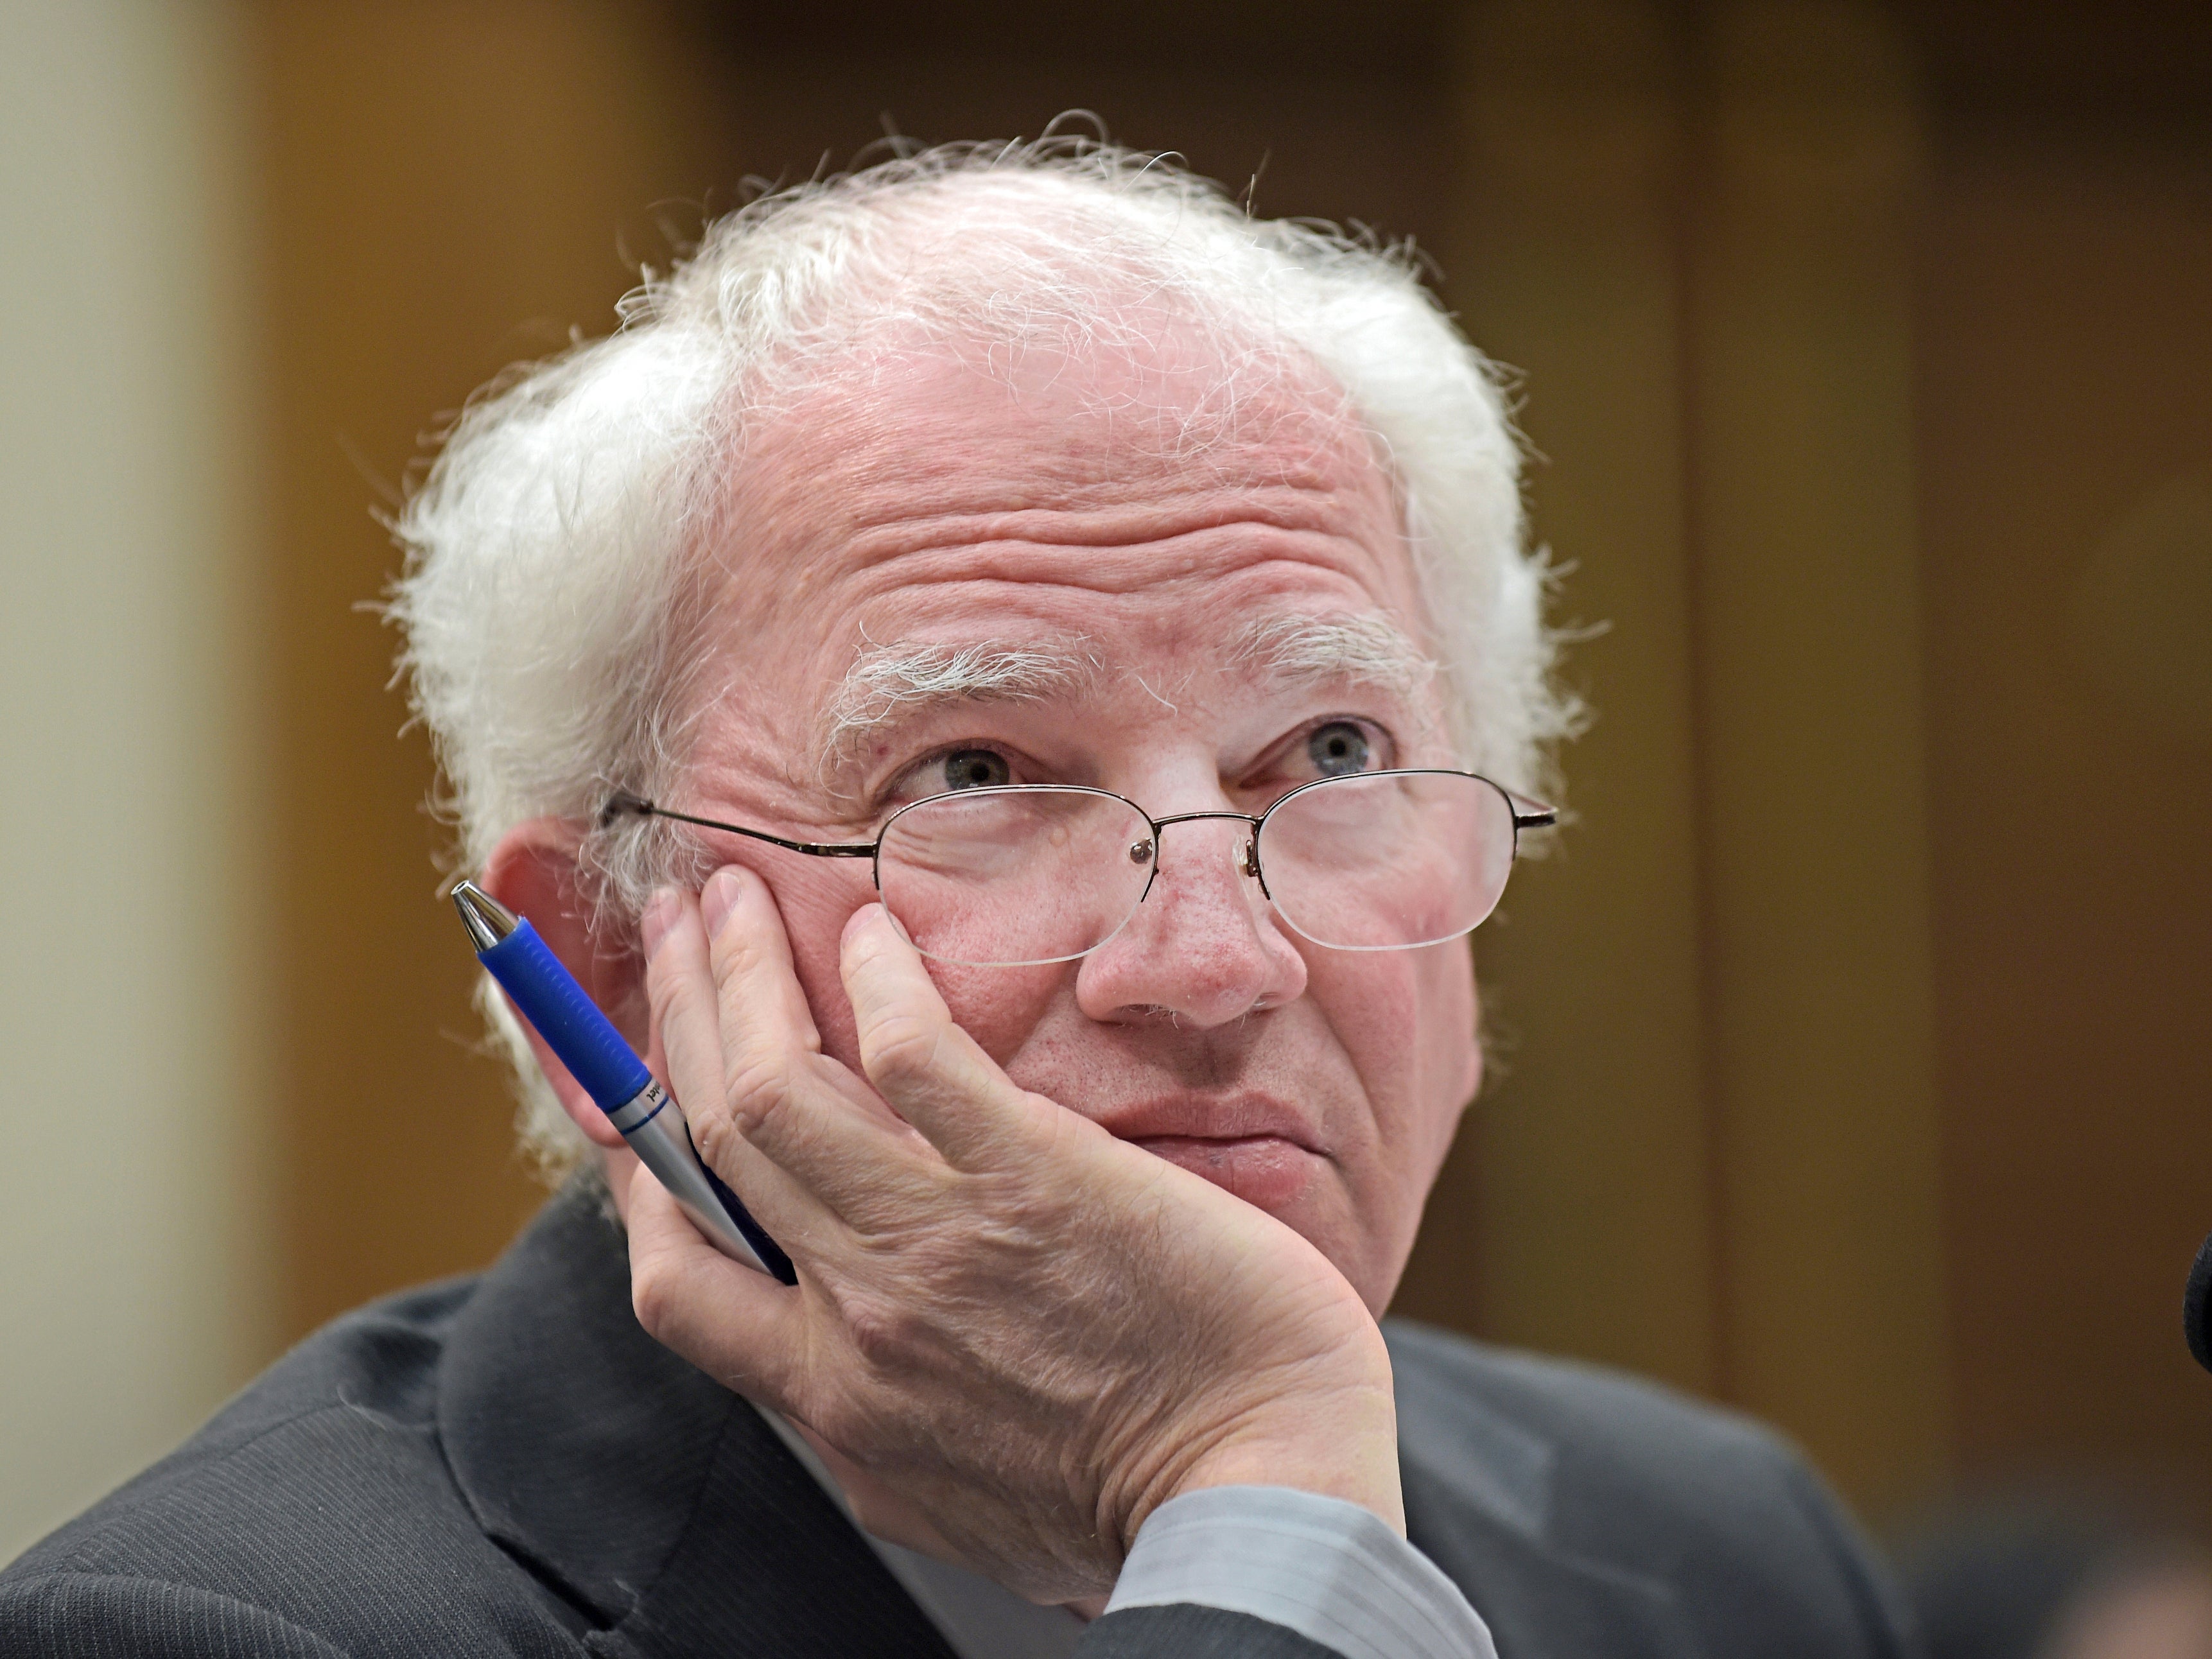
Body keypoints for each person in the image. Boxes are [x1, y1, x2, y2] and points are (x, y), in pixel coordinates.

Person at [0, 141, 1914, 1658]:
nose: (1217, 961)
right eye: (980, 776)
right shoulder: (221, 1629)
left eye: (1330, 755)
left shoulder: (1724, 1557)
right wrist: (1261, 1525)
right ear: (609, 966)